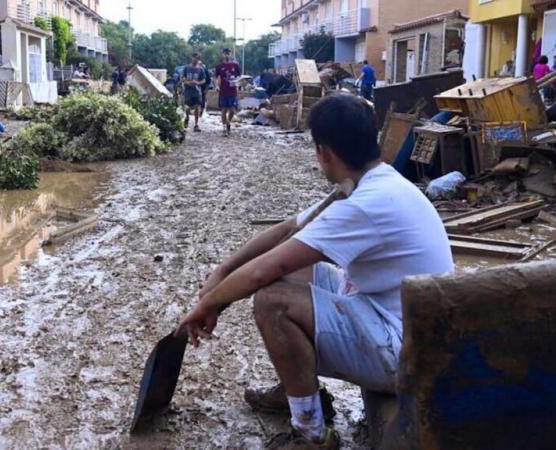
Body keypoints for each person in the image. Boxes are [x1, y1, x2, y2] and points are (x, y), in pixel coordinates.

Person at [175, 95, 454, 449]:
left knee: (273, 301)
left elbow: (267, 269)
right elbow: (287, 230)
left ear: (323, 152)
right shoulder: (374, 183)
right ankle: (298, 390)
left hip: (405, 354)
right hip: (398, 321)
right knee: (291, 272)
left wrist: (210, 303)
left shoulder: (367, 204)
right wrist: (223, 270)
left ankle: (311, 435)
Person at [215, 48, 241, 137]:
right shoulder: (219, 66)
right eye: (225, 53)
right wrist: (217, 86)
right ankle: (224, 128)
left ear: (231, 54)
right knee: (223, 110)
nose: (227, 55)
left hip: (233, 90)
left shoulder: (235, 65)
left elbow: (239, 77)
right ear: (223, 54)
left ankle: (228, 122)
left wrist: (237, 84)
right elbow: (216, 77)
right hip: (223, 91)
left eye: (228, 53)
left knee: (233, 110)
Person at [182, 53, 206, 132]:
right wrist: (187, 82)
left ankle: (196, 124)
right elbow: (182, 78)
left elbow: (204, 80)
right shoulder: (186, 68)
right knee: (187, 106)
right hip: (188, 90)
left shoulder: (200, 69)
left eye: (197, 58)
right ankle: (187, 117)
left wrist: (198, 83)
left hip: (196, 90)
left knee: (197, 107)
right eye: (194, 58)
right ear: (191, 58)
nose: (196, 60)